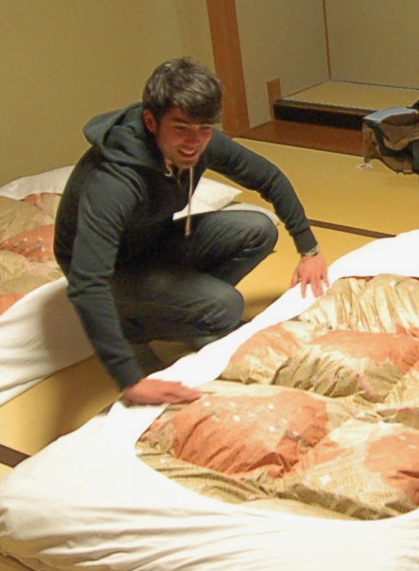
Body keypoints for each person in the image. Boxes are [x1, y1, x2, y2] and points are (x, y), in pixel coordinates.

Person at [57, 58, 329, 406]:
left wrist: (309, 250)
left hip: (150, 243)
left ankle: (189, 313)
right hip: (113, 273)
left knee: (258, 228)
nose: (194, 142)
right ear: (151, 121)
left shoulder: (202, 142)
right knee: (226, 305)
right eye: (181, 128)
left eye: (203, 129)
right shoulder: (114, 181)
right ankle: (136, 327)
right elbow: (87, 281)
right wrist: (129, 378)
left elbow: (269, 178)